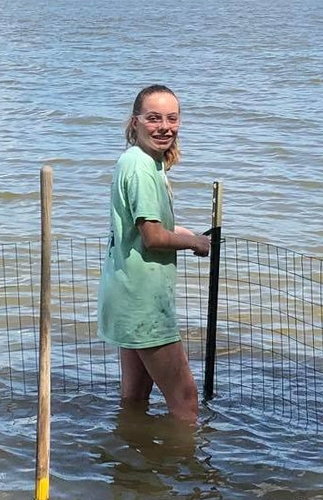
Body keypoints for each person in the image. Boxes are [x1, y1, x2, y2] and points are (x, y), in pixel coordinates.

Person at [99, 85, 211, 425]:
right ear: (135, 123)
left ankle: (131, 465)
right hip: (144, 302)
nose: (164, 127)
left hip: (124, 293)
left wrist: (182, 233)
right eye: (154, 118)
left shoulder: (138, 161)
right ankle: (187, 470)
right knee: (185, 399)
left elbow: (139, 229)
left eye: (172, 118)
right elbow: (151, 237)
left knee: (134, 397)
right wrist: (197, 244)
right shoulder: (142, 168)